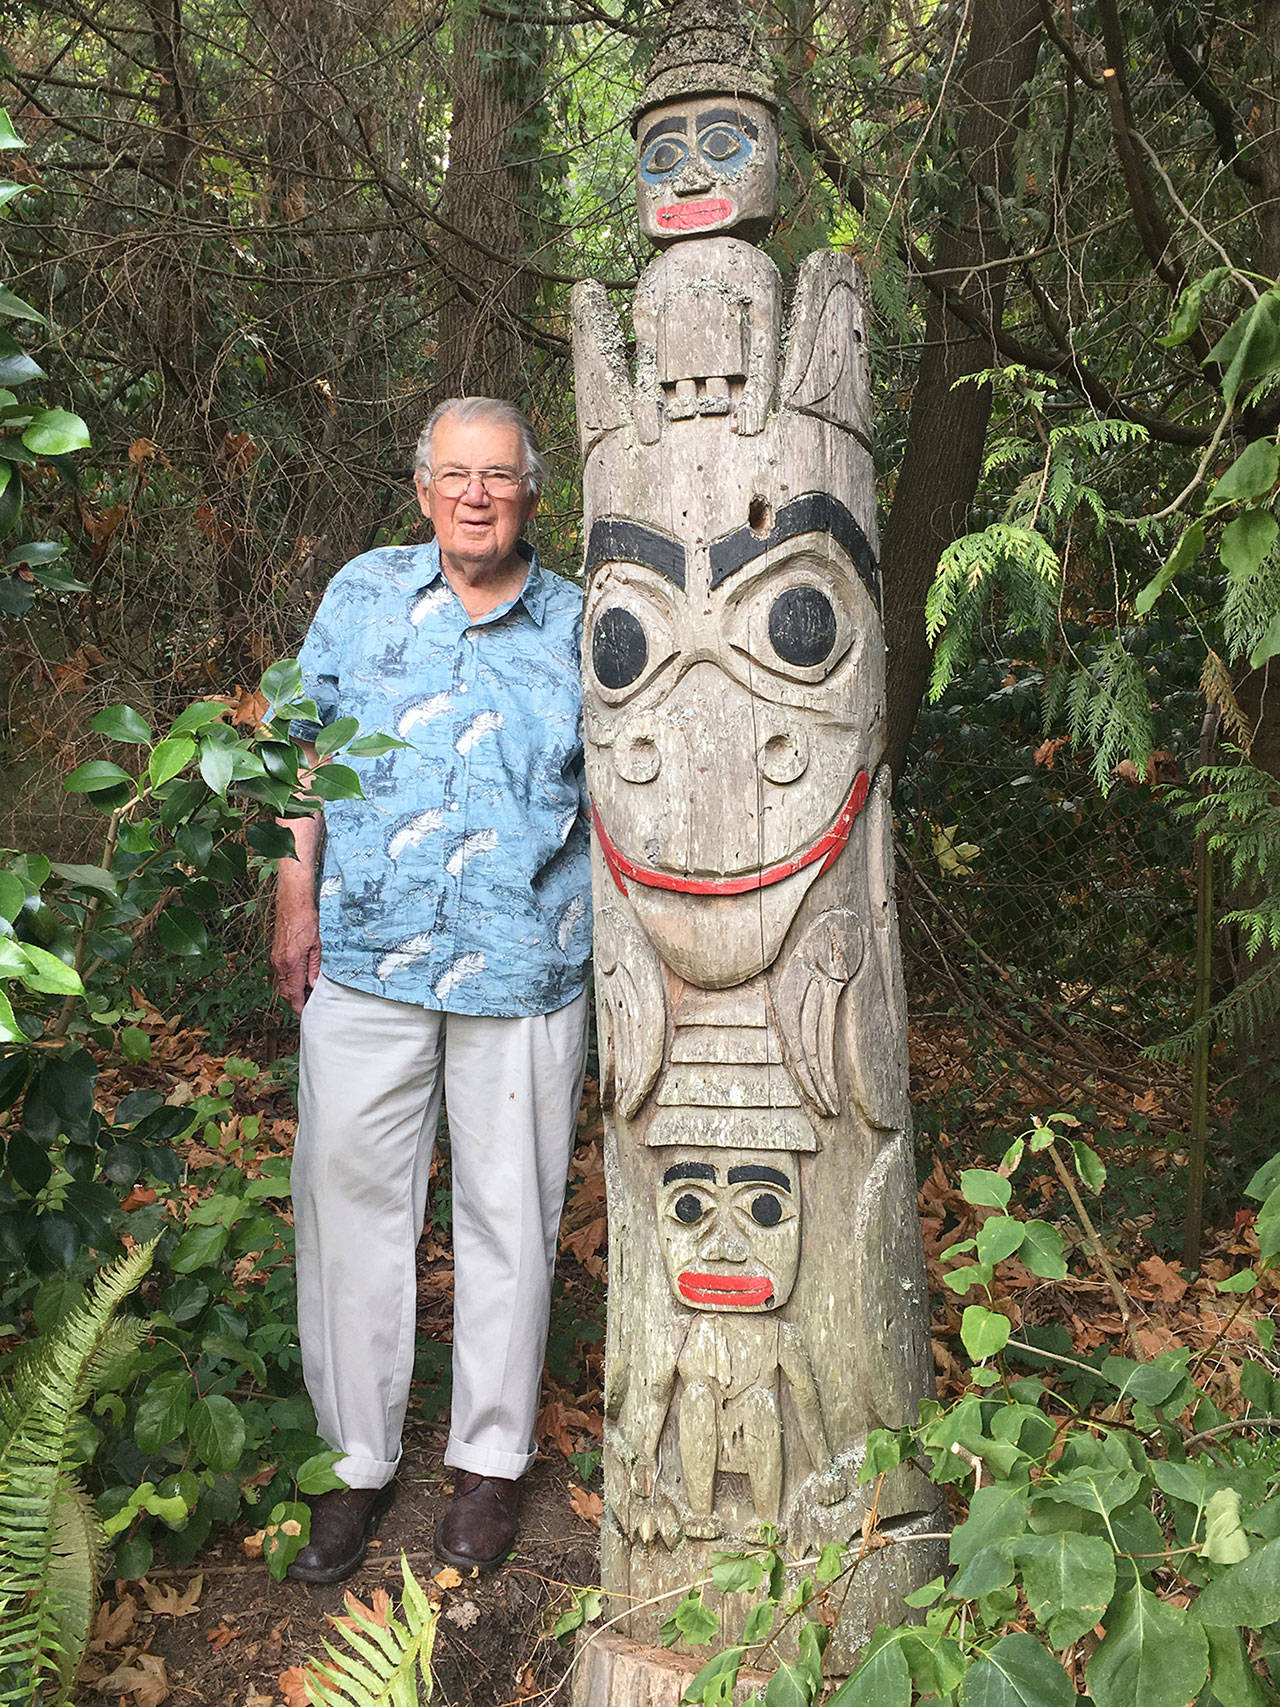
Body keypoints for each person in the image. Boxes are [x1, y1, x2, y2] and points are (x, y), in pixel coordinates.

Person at [270, 397, 592, 1583]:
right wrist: (292, 896)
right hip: (364, 955)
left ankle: (487, 1468)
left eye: (497, 477)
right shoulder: (360, 594)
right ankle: (353, 1469)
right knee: (349, 1211)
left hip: (528, 966)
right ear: (420, 489)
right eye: (454, 475)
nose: (474, 495)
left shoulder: (581, 621)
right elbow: (296, 752)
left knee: (512, 1218)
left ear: (530, 495)